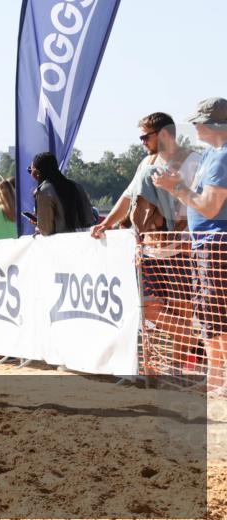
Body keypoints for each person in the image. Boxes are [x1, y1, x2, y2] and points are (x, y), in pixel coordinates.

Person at [92, 113, 200, 374]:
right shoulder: (147, 162)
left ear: (163, 134)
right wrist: (107, 223)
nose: (141, 142)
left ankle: (176, 365)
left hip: (180, 249)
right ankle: (185, 347)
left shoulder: (193, 161)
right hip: (149, 249)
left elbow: (200, 204)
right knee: (148, 307)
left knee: (180, 309)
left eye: (145, 136)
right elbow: (128, 197)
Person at [154, 98, 227, 393]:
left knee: (214, 313)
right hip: (207, 244)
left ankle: (218, 381)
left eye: (199, 121)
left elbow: (209, 207)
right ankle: (216, 379)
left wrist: (176, 188)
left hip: (215, 245)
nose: (195, 125)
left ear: (213, 125)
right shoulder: (213, 154)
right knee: (210, 314)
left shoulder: (221, 157)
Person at [28, 151, 94, 235]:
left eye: (30, 170)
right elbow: (90, 218)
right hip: (84, 241)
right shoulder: (76, 186)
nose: (30, 174)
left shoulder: (44, 191)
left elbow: (46, 230)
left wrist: (38, 227)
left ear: (37, 173)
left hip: (61, 244)